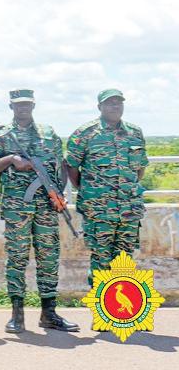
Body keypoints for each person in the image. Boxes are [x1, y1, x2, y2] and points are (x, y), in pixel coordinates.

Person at [0, 89, 78, 333]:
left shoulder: (48, 133)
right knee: (17, 258)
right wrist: (10, 159)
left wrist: (59, 193)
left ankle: (49, 313)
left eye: (27, 104)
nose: (23, 108)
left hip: (46, 206)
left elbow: (61, 166)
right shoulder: (1, 136)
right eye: (18, 104)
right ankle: (17, 315)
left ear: (33, 105)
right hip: (17, 207)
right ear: (11, 107)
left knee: (49, 257)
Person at [67, 89, 148, 288]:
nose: (115, 106)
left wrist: (128, 189)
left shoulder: (135, 132)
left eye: (118, 102)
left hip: (129, 209)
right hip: (99, 210)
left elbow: (140, 168)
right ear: (100, 107)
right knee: (101, 261)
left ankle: (119, 306)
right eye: (110, 103)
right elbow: (71, 167)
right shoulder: (85, 133)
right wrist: (90, 191)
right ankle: (100, 306)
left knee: (125, 261)